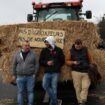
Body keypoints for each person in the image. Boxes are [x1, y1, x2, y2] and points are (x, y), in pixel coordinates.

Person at [66, 39, 94, 105]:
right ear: (74, 44)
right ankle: (80, 102)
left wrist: (91, 65)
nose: (78, 46)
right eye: (76, 44)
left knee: (85, 86)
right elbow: (66, 61)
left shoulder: (86, 50)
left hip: (86, 71)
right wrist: (73, 62)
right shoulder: (70, 51)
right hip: (75, 72)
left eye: (79, 44)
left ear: (81, 44)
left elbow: (91, 59)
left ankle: (83, 99)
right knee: (77, 87)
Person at [39, 36, 65, 105]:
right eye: (45, 42)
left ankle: (52, 103)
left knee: (54, 88)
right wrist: (47, 63)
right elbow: (40, 61)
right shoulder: (44, 50)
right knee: (44, 85)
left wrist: (57, 65)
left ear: (51, 42)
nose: (45, 43)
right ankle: (56, 101)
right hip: (47, 72)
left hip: (55, 72)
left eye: (47, 42)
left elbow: (62, 61)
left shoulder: (59, 50)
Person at [11, 40, 39, 105]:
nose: (27, 47)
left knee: (30, 92)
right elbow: (14, 64)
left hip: (30, 77)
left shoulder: (33, 54)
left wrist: (35, 74)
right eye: (26, 45)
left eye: (28, 45)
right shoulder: (17, 54)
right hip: (20, 76)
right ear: (22, 46)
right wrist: (14, 74)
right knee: (20, 92)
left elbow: (37, 64)